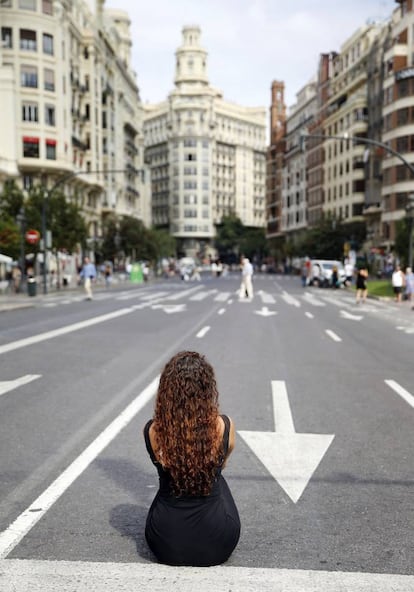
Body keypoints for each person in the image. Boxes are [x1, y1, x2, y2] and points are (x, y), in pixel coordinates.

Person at [144, 351, 240, 567]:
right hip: (218, 541)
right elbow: (221, 465)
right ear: (207, 390)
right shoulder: (224, 426)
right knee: (216, 476)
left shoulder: (152, 431)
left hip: (164, 542)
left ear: (166, 392)